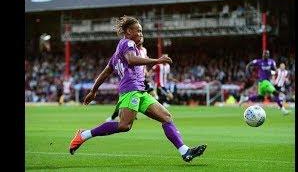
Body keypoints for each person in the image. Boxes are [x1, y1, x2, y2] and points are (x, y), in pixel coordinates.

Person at [69, 16, 207, 162]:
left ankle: (184, 151)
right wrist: (157, 60)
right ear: (128, 31)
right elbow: (131, 60)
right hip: (131, 91)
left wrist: (93, 91)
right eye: (138, 31)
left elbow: (106, 72)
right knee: (124, 126)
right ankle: (83, 135)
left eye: (142, 31)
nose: (141, 34)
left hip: (141, 91)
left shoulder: (118, 53)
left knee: (166, 117)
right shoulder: (127, 43)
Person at [106, 36, 155, 122]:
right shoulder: (131, 50)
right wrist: (157, 61)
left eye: (142, 36)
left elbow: (144, 61)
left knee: (153, 93)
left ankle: (140, 111)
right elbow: (131, 60)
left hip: (143, 78)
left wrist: (146, 71)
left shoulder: (144, 50)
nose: (140, 37)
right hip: (133, 80)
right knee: (123, 105)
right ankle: (114, 117)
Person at [238, 50, 290, 115]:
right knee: (276, 93)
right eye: (264, 54)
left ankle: (245, 98)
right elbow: (249, 65)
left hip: (264, 83)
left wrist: (273, 71)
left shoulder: (271, 62)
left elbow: (275, 70)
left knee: (260, 97)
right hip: (264, 82)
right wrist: (248, 73)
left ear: (269, 55)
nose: (265, 55)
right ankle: (282, 109)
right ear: (262, 55)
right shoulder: (258, 61)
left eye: (267, 54)